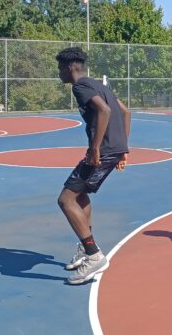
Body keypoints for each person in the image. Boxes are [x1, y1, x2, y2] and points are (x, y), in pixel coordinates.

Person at [56, 47, 131, 284]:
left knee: (66, 199)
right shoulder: (101, 85)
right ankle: (85, 246)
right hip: (113, 149)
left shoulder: (80, 87)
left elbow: (105, 110)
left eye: (59, 68)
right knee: (81, 195)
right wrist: (123, 149)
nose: (59, 73)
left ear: (70, 67)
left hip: (104, 150)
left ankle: (93, 255)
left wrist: (96, 148)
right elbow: (125, 112)